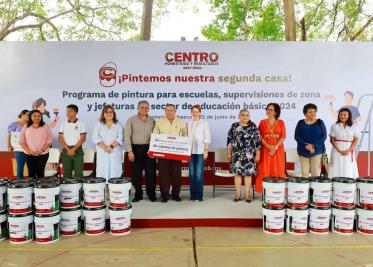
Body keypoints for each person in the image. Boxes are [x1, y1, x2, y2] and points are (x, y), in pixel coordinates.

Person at [153, 104, 187, 202]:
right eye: (167, 110)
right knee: (163, 176)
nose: (169, 112)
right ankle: (165, 196)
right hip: (163, 154)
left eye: (171, 110)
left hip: (177, 154)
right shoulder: (159, 122)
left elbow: (185, 137)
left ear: (175, 111)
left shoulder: (181, 122)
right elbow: (155, 137)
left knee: (177, 175)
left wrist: (184, 154)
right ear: (165, 111)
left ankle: (176, 195)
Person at [124, 100, 157, 202]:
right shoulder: (131, 120)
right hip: (135, 149)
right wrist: (129, 151)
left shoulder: (152, 120)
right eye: (142, 107)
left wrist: (155, 149)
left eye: (146, 108)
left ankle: (151, 194)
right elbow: (127, 136)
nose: (144, 109)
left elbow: (156, 136)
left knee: (150, 173)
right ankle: (138, 194)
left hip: (149, 149)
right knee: (136, 174)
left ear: (149, 108)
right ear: (138, 108)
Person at [227, 109, 261, 202]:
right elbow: (229, 140)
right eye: (242, 115)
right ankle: (237, 193)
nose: (245, 117)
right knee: (237, 174)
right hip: (236, 154)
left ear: (249, 117)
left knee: (248, 175)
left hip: (249, 155)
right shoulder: (234, 126)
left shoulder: (253, 127)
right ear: (239, 116)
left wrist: (258, 155)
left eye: (247, 115)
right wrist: (229, 152)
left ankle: (247, 193)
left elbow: (257, 143)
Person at [255, 103, 287, 193]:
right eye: (267, 109)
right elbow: (259, 136)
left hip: (278, 149)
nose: (268, 111)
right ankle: (265, 191)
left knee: (278, 168)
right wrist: (268, 146)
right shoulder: (262, 122)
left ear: (276, 112)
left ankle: (277, 191)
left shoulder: (281, 122)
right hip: (265, 149)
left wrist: (275, 147)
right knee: (265, 169)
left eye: (271, 110)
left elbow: (283, 136)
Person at [294, 103, 327, 178]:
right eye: (310, 112)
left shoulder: (320, 122)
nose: (313, 113)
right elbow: (297, 137)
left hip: (317, 150)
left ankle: (314, 190)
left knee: (315, 172)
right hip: (303, 150)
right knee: (304, 173)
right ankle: (305, 190)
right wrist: (307, 145)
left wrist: (312, 145)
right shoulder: (300, 123)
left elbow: (324, 137)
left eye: (314, 111)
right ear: (305, 114)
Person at [92, 105, 124, 182]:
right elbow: (95, 137)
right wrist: (105, 147)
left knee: (115, 170)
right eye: (106, 112)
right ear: (103, 113)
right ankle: (104, 189)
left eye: (110, 112)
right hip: (102, 151)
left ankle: (114, 189)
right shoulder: (99, 123)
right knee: (102, 170)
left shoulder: (118, 124)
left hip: (115, 152)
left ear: (113, 113)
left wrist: (111, 147)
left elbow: (120, 138)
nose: (108, 114)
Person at [187, 105, 211, 201]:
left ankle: (199, 196)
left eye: (197, 111)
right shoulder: (188, 123)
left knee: (198, 174)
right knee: (192, 174)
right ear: (191, 113)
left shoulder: (204, 123)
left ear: (200, 113)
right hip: (190, 152)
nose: (195, 113)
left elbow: (207, 137)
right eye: (193, 111)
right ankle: (192, 195)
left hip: (200, 151)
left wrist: (206, 150)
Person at [19, 110, 52, 179]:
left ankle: (40, 189)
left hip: (43, 154)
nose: (36, 117)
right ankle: (31, 189)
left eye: (38, 116)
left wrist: (40, 151)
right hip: (29, 154)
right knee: (31, 174)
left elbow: (49, 141)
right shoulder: (25, 127)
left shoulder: (46, 127)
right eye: (34, 116)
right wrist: (30, 151)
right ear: (30, 117)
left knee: (40, 173)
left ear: (41, 117)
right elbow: (22, 142)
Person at [329, 108, 360, 179]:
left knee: (348, 168)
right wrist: (338, 150)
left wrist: (348, 150)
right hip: (336, 150)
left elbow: (356, 140)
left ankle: (348, 187)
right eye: (341, 114)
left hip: (349, 150)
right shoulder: (334, 126)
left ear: (349, 116)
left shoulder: (354, 126)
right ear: (338, 115)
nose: (343, 116)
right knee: (336, 167)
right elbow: (332, 140)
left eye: (345, 115)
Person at [58, 104, 86, 178]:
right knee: (66, 172)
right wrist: (68, 149)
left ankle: (79, 188)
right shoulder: (63, 124)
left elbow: (83, 138)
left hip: (77, 150)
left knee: (79, 172)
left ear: (76, 113)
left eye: (70, 111)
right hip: (66, 150)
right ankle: (67, 189)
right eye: (67, 111)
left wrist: (73, 149)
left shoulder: (81, 124)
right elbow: (60, 138)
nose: (68, 113)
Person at [7, 110, 30, 178]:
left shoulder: (30, 125)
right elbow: (9, 136)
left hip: (29, 148)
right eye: (27, 115)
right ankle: (19, 183)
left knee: (31, 166)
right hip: (18, 149)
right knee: (20, 166)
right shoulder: (14, 124)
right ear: (22, 114)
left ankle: (31, 183)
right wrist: (9, 145)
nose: (29, 117)